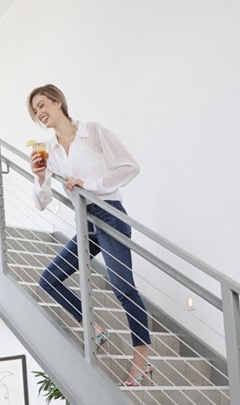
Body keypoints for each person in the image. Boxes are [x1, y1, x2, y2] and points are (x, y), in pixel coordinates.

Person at [27, 84, 152, 385]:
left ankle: (142, 359)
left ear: (58, 102)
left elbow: (130, 167)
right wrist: (41, 177)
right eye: (34, 111)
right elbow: (42, 203)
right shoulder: (49, 151)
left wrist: (90, 183)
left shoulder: (93, 132)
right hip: (85, 221)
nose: (39, 113)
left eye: (42, 105)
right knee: (49, 279)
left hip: (109, 213)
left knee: (123, 287)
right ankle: (93, 328)